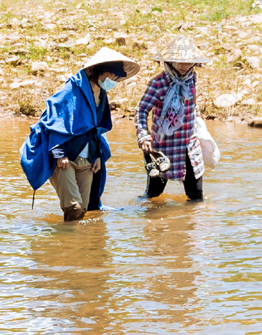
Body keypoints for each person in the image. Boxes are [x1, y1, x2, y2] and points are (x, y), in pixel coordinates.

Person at [21, 47, 140, 221]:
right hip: (65, 159)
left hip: (87, 159)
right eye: (111, 75)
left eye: (116, 78)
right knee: (74, 208)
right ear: (98, 72)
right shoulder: (72, 89)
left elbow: (97, 129)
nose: (113, 80)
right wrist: (59, 154)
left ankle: (74, 245)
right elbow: (54, 120)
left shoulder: (101, 94)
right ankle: (68, 245)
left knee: (82, 211)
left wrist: (98, 156)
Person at [135, 36, 209, 201]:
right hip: (163, 147)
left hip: (189, 147)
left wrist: (200, 128)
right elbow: (141, 110)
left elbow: (192, 105)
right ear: (169, 61)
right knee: (153, 196)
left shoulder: (191, 79)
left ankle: (193, 224)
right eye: (179, 61)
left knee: (196, 197)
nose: (184, 66)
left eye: (189, 62)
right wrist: (144, 136)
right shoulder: (158, 83)